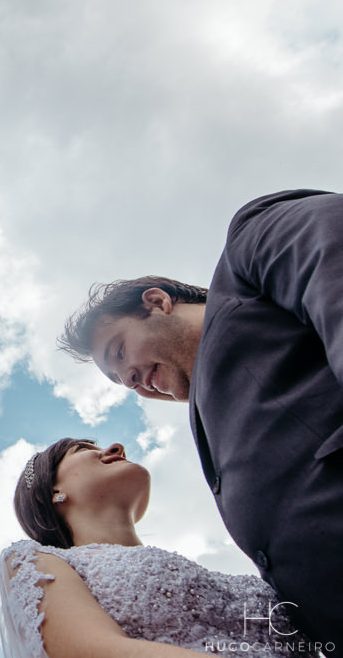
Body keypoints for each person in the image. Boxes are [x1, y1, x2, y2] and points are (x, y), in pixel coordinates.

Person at [57, 189, 343, 647]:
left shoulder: (249, 244)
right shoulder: (206, 427)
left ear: (157, 301)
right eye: (121, 382)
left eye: (119, 352)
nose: (130, 380)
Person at [0, 438, 319, 658]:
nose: (114, 447)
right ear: (50, 492)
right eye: (83, 448)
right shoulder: (36, 561)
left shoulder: (235, 578)